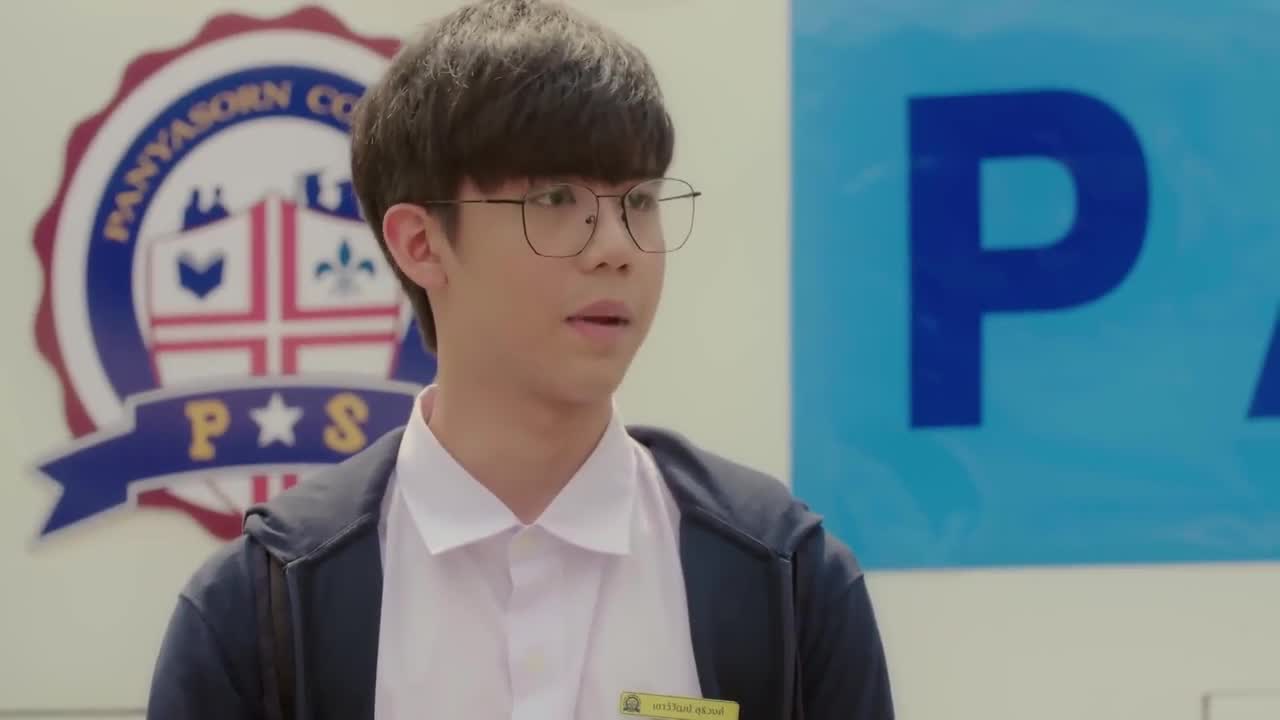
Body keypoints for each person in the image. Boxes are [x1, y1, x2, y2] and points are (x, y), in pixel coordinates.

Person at [146, 1, 895, 719]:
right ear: (421, 244)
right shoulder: (263, 604)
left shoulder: (785, 576)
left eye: (639, 202)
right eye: (558, 200)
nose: (616, 249)